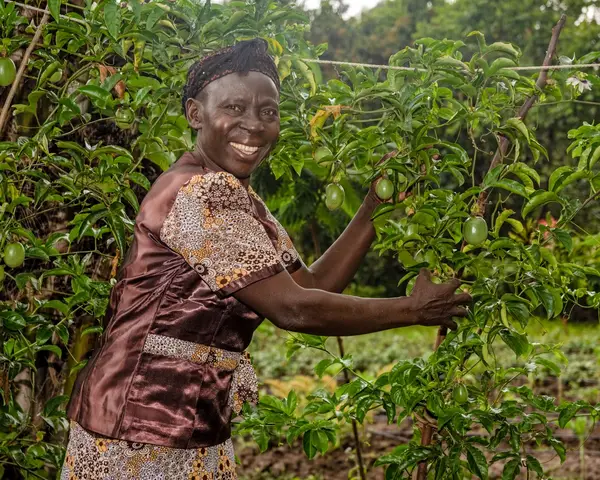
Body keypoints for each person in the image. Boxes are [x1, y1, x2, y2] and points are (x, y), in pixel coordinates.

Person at [61, 38, 471, 479]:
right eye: (234, 108)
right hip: (137, 431)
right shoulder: (201, 193)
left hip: (186, 423)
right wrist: (414, 309)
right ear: (195, 114)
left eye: (268, 112)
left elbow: (309, 286)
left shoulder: (237, 196)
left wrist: (374, 206)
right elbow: (292, 309)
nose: (253, 126)